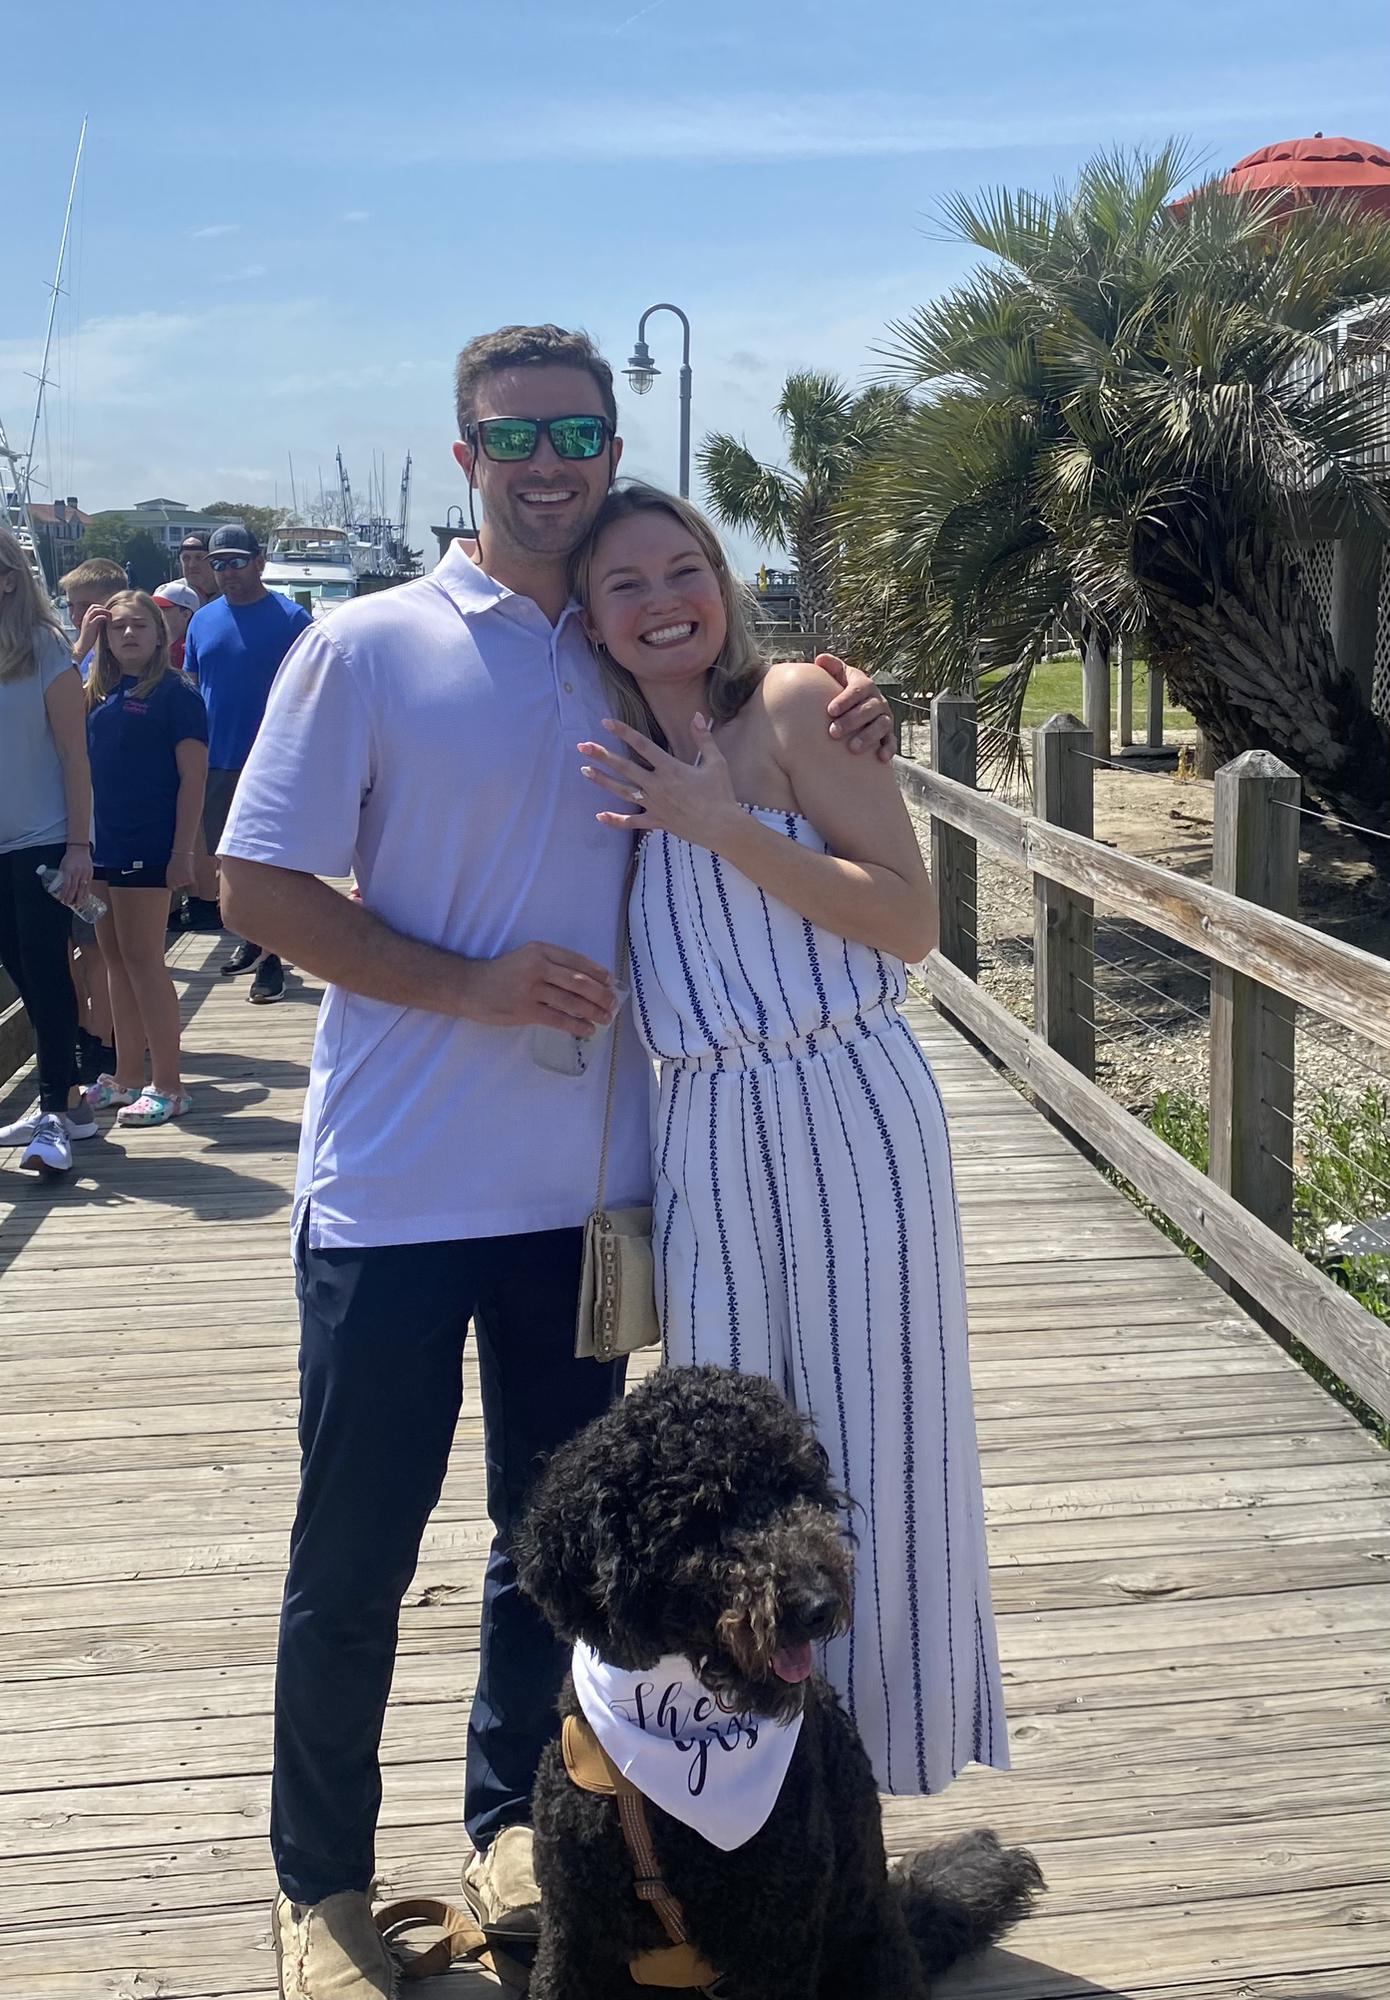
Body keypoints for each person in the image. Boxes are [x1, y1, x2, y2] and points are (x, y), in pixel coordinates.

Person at [217, 324, 891, 2000]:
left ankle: (510, 1826)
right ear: (465, 456)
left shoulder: (624, 650)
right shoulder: (367, 645)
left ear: (609, 450)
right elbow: (258, 889)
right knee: (353, 1558)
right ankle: (320, 1888)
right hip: (391, 1191)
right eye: (515, 437)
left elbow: (760, 726)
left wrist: (853, 704)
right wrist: (472, 986)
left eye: (579, 434)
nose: (549, 463)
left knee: (552, 1552)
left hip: (589, 1199)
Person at [572, 481, 1008, 1802]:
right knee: (728, 1450)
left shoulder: (794, 706)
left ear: (722, 579)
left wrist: (720, 826)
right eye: (624, 583)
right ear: (588, 617)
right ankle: (755, 1781)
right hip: (704, 1127)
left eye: (682, 568)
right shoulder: (605, 749)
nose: (662, 602)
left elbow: (908, 920)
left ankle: (882, 1762)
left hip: (843, 1097)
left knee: (879, 1425)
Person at [80, 591, 207, 1127]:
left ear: (160, 634)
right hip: (100, 847)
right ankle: (126, 1074)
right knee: (113, 958)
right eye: (117, 628)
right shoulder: (96, 693)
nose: (128, 635)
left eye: (139, 626)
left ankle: (169, 1085)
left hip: (148, 845)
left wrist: (183, 852)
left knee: (144, 959)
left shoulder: (177, 694)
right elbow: (43, 707)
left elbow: (193, 779)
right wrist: (81, 645)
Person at [0, 525, 99, 1178]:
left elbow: (74, 757)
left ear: (9, 578)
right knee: (21, 973)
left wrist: (78, 847)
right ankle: (70, 1105)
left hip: (41, 840)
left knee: (46, 973)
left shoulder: (45, 648)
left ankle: (53, 1116)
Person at [184, 523, 311, 1003]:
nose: (228, 571)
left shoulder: (292, 618)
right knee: (227, 863)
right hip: (216, 762)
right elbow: (193, 688)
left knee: (272, 864)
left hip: (275, 762)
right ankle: (254, 940)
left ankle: (273, 961)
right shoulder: (202, 621)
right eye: (218, 564)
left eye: (237, 561)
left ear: (259, 563)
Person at [58, 556, 125, 1078]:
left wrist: (84, 648)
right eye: (73, 608)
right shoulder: (65, 659)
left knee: (97, 944)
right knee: (66, 943)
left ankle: (101, 1039)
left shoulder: (121, 664)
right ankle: (81, 1029)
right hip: (62, 822)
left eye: (88, 607)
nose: (79, 617)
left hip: (103, 828)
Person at [177, 530, 221, 607]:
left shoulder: (231, 592)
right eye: (186, 558)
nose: (192, 565)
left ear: (214, 561)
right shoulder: (170, 595)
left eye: (199, 557)